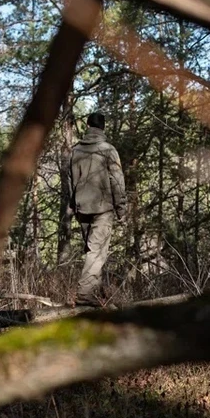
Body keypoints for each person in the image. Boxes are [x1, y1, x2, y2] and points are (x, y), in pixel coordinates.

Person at [68, 111, 127, 306]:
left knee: (92, 251)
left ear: (87, 126)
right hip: (103, 208)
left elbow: (69, 181)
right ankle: (85, 296)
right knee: (96, 252)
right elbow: (117, 182)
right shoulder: (108, 150)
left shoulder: (76, 151)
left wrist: (73, 205)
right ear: (103, 127)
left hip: (81, 207)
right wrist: (121, 209)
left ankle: (95, 294)